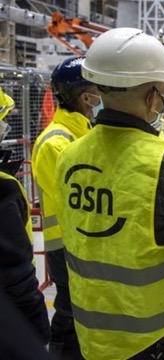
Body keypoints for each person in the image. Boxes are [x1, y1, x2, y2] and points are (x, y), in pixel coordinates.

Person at [53, 27, 164, 360]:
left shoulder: (68, 156)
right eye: (163, 91)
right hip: (163, 336)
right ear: (151, 96)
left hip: (95, 333)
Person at [31, 56, 101, 359]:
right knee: (71, 312)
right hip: (67, 244)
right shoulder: (55, 142)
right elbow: (81, 196)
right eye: (102, 89)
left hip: (88, 240)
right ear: (86, 97)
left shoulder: (85, 131)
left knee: (85, 312)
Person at [0, 86, 51, 349]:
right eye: (1, 118)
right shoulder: (4, 189)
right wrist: (36, 329)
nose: (5, 126)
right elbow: (15, 277)